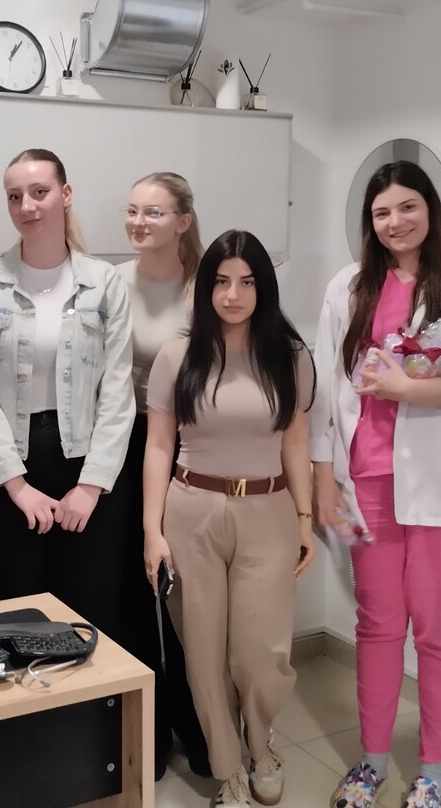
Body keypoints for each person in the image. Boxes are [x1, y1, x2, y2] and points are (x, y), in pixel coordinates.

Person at [310, 160, 441, 808]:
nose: (395, 222)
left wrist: (409, 389)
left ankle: (433, 773)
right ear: (368, 222)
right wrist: (322, 476)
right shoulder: (348, 285)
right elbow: (325, 386)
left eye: (407, 207)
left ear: (431, 209)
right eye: (381, 212)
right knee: (376, 625)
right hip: (366, 477)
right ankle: (372, 761)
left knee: (437, 630)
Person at [143, 229, 316, 808]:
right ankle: (228, 769)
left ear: (264, 287)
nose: (233, 295)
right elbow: (159, 447)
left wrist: (305, 518)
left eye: (246, 282)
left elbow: (296, 442)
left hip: (268, 510)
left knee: (261, 654)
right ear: (206, 288)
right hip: (191, 511)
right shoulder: (178, 355)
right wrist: (151, 531)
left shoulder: (291, 356)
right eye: (221, 282)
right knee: (204, 653)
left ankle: (261, 745)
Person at [0, 148, 134, 638]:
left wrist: (90, 488)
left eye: (39, 192)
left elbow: (118, 392)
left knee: (91, 619)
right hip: (9, 468)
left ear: (65, 194)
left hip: (87, 469)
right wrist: (16, 485)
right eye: (14, 197)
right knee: (21, 620)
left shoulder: (103, 282)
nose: (27, 206)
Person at [111, 172, 210, 779]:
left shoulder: (208, 285)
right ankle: (145, 732)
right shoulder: (111, 283)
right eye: (132, 211)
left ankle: (199, 726)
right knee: (131, 590)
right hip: (124, 448)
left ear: (182, 221)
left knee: (186, 595)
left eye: (153, 212)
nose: (138, 222)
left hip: (190, 450)